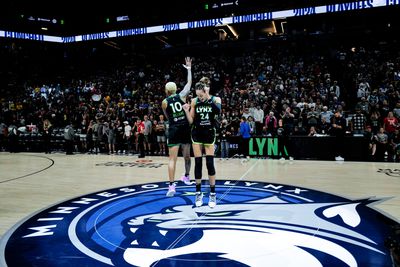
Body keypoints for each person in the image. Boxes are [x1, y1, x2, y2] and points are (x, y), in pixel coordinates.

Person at [183, 81, 221, 208]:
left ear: (206, 92)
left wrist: (208, 97)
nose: (200, 97)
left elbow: (218, 111)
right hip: (197, 134)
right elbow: (191, 121)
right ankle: (198, 192)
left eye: (201, 95)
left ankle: (213, 194)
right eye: (198, 95)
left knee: (210, 163)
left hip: (209, 133)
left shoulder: (214, 100)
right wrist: (187, 111)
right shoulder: (195, 102)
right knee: (198, 163)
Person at [162, 57, 193, 196]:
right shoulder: (181, 96)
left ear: (167, 91)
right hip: (185, 127)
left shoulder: (164, 102)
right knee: (187, 156)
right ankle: (186, 176)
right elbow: (189, 83)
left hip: (174, 128)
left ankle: (171, 186)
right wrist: (189, 69)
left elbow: (168, 117)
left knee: (172, 160)